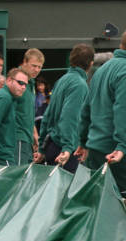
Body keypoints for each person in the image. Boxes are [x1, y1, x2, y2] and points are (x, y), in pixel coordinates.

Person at [77, 28, 126, 205]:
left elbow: (86, 110)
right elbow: (124, 110)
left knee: (106, 202)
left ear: (121, 46)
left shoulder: (100, 71)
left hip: (96, 148)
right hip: (122, 149)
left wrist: (83, 143)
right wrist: (122, 146)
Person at [37, 44, 94, 172]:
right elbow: (69, 117)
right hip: (65, 152)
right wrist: (68, 148)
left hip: (54, 147)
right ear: (91, 64)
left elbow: (48, 115)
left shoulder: (62, 80)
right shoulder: (79, 85)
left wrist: (41, 148)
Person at [15, 48, 45, 164]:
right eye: (34, 66)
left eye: (39, 67)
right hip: (17, 138)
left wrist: (35, 135)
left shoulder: (31, 83)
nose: (37, 70)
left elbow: (28, 113)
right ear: (24, 62)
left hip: (27, 139)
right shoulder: (16, 82)